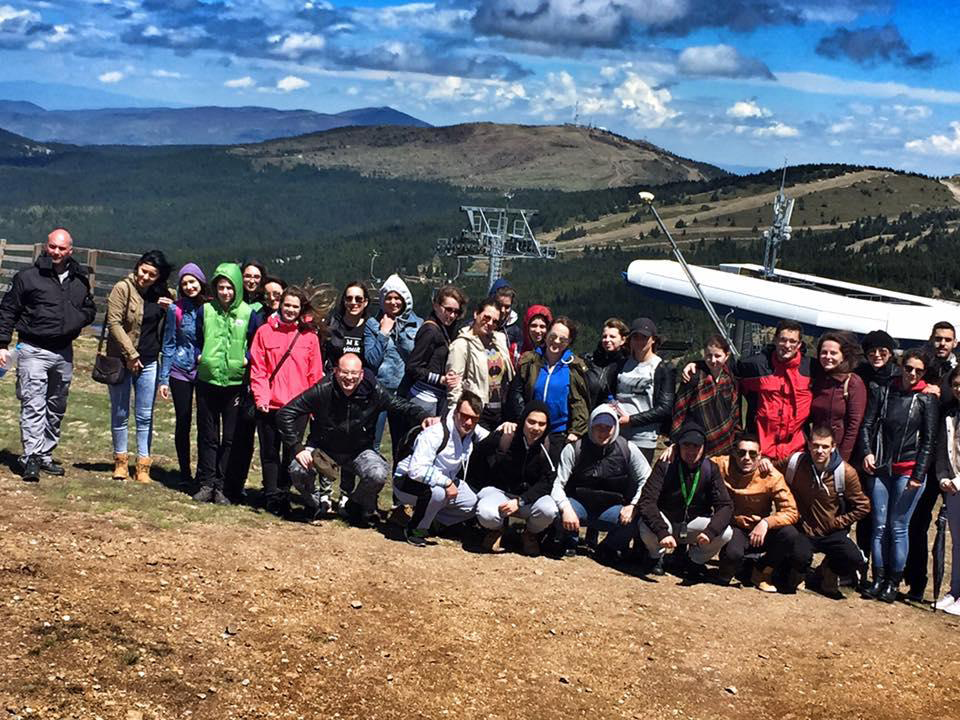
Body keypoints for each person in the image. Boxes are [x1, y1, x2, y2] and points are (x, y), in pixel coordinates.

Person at [277, 353, 429, 526]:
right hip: (323, 449)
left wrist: (423, 416)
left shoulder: (374, 391)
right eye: (344, 372)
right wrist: (297, 447)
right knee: (298, 469)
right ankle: (313, 504)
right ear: (335, 372)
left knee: (378, 473)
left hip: (358, 450)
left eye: (354, 373)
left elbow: (400, 405)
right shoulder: (322, 389)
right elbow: (285, 413)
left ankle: (354, 504)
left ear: (361, 374)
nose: (349, 377)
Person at [0, 228, 96, 482]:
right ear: (46, 246)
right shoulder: (27, 277)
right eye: (52, 246)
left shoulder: (79, 279)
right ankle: (30, 456)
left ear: (70, 251)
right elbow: (8, 310)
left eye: (61, 248)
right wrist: (2, 343)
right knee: (33, 403)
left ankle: (44, 454)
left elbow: (89, 307)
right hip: (33, 349)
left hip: (63, 352)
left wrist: (78, 320)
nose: (56, 252)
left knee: (56, 406)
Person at [860, 349, 938, 602]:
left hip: (909, 469)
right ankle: (878, 578)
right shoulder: (884, 391)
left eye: (918, 370)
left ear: (924, 372)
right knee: (879, 525)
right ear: (901, 367)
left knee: (898, 527)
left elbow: (929, 440)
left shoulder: (927, 399)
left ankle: (894, 582)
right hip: (882, 467)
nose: (912, 374)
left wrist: (919, 473)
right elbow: (868, 424)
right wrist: (867, 452)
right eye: (909, 368)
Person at [249, 287, 324, 516]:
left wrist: (314, 407)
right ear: (280, 305)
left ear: (301, 310)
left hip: (298, 407)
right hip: (270, 403)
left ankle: (283, 492)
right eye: (287, 305)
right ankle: (271, 495)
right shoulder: (263, 332)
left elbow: (315, 373)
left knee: (291, 453)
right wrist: (260, 396)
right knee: (269, 452)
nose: (290, 310)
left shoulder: (309, 337)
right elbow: (258, 368)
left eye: (295, 306)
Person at [192, 263, 259, 505]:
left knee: (229, 438)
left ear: (238, 288)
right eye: (221, 287)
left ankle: (222, 486)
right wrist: (200, 355)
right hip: (207, 380)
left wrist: (246, 359)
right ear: (215, 288)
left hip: (234, 383)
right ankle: (206, 483)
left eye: (230, 287)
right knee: (208, 435)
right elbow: (197, 337)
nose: (225, 292)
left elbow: (256, 344)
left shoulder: (249, 314)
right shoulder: (205, 311)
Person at [104, 250, 173, 483]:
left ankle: (143, 465)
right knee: (120, 411)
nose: (145, 277)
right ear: (137, 266)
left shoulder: (164, 295)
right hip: (122, 359)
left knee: (145, 415)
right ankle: (121, 462)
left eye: (152, 274)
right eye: (143, 271)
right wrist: (131, 354)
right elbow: (114, 323)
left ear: (159, 277)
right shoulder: (122, 289)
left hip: (151, 359)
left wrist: (171, 309)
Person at [552, 405, 652, 561]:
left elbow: (647, 479)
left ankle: (608, 548)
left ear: (616, 428)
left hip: (612, 509)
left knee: (638, 518)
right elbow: (557, 484)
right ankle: (569, 540)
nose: (603, 432)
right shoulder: (574, 449)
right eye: (598, 427)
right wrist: (566, 509)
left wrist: (633, 506)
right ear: (591, 425)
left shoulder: (628, 449)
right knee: (555, 508)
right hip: (578, 506)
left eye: (608, 427)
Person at [904, 321, 959, 601]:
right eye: (937, 339)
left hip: (951, 460)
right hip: (924, 456)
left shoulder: (956, 372)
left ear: (955, 343)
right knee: (917, 521)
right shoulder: (922, 365)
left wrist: (942, 391)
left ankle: (954, 590)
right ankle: (916, 581)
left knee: (953, 531)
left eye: (947, 340)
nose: (942, 344)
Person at [781, 426, 870, 599]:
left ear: (833, 447)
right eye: (815, 446)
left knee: (854, 559)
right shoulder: (795, 463)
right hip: (803, 529)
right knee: (797, 553)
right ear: (808, 445)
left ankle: (827, 571)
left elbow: (863, 506)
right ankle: (798, 572)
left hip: (831, 531)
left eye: (824, 446)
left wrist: (838, 522)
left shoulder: (845, 472)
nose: (819, 451)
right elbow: (773, 473)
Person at [637, 421, 734, 579]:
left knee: (725, 533)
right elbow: (647, 501)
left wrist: (710, 532)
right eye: (686, 445)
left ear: (703, 448)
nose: (691, 450)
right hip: (665, 521)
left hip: (692, 523)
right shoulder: (665, 465)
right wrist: (661, 531)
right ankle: (656, 557)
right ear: (678, 446)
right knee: (646, 526)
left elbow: (725, 506)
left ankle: (694, 560)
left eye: (696, 446)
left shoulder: (711, 469)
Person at [394, 392, 489, 547]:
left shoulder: (471, 430)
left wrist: (508, 428)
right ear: (456, 412)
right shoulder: (435, 432)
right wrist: (446, 483)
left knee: (472, 502)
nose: (469, 422)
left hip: (442, 481)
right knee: (437, 493)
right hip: (406, 482)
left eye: (474, 418)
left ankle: (433, 523)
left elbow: (492, 438)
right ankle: (415, 530)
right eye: (464, 416)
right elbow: (416, 470)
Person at [712, 432, 804, 590]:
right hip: (736, 527)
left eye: (753, 454)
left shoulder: (771, 476)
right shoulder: (722, 465)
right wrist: (675, 448)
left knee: (790, 534)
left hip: (760, 530)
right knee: (731, 560)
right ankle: (731, 568)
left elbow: (791, 511)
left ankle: (762, 571)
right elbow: (696, 460)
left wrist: (766, 522)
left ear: (760, 455)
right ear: (734, 453)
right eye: (741, 453)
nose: (746, 458)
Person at [224, 274, 286, 502]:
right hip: (254, 385)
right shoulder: (256, 316)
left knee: (279, 444)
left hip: (282, 392)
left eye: (277, 294)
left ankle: (279, 490)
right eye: (267, 294)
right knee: (244, 437)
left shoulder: (294, 321)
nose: (272, 298)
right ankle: (234, 486)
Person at [472, 400, 559, 556]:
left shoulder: (549, 446)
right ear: (523, 420)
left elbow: (547, 482)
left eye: (541, 424)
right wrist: (497, 432)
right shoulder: (507, 436)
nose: (536, 428)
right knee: (486, 512)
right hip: (501, 493)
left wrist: (521, 501)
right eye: (531, 422)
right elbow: (478, 453)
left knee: (549, 510)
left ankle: (529, 534)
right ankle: (497, 530)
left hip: (529, 499)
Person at [507, 316, 589, 464]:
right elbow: (517, 392)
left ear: (569, 341)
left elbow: (579, 401)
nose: (556, 341)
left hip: (559, 433)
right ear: (547, 334)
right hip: (531, 429)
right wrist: (522, 420)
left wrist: (576, 431)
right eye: (553, 336)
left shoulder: (574, 366)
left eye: (563, 339)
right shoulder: (530, 360)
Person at [158, 263, 207, 487]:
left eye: (192, 282)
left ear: (201, 282)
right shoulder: (174, 310)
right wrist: (164, 378)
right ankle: (185, 471)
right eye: (184, 283)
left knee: (206, 423)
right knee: (183, 420)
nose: (189, 287)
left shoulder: (211, 308)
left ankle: (204, 472)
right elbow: (168, 343)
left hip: (206, 370)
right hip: (180, 369)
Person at [852, 330, 899, 563]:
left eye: (882, 351)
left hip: (889, 447)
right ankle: (861, 560)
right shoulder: (859, 374)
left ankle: (886, 567)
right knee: (863, 508)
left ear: (890, 353)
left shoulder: (899, 377)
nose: (877, 355)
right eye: (872, 352)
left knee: (887, 515)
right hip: (862, 446)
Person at [736, 319, 812, 462]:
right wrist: (697, 365)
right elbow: (723, 369)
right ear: (775, 340)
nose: (787, 345)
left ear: (799, 344)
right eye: (783, 340)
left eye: (792, 341)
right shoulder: (756, 365)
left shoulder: (810, 368)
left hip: (797, 452)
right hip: (761, 451)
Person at [364, 274, 422, 454]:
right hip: (379, 390)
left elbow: (417, 358)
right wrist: (383, 332)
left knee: (403, 443)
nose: (393, 302)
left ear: (406, 299)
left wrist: (401, 333)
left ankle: (399, 481)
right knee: (372, 442)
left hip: (405, 391)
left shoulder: (418, 324)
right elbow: (371, 360)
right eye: (388, 297)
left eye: (398, 298)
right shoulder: (372, 324)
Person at [604, 317, 675, 465]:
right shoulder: (621, 365)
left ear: (653, 339)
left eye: (644, 337)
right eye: (635, 337)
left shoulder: (662, 368)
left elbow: (665, 408)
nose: (639, 341)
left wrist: (631, 420)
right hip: (616, 433)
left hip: (644, 437)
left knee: (638, 482)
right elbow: (609, 393)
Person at [446, 298, 514, 430]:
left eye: (495, 321)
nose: (490, 323)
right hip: (476, 411)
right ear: (476, 314)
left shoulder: (499, 340)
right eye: (486, 318)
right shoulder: (461, 344)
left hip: (501, 410)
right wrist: (457, 415)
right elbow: (454, 385)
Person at [398, 284, 465, 417]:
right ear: (436, 306)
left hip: (435, 398)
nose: (452, 315)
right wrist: (440, 379)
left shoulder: (444, 328)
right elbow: (412, 367)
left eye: (456, 312)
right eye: (448, 310)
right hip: (423, 398)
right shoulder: (430, 331)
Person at [671, 334, 739, 457]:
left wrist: (738, 438)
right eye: (709, 356)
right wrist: (675, 441)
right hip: (697, 444)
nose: (713, 360)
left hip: (726, 444)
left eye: (717, 356)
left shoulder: (729, 378)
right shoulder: (694, 376)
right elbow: (679, 412)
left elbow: (734, 411)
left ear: (726, 356)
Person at [810, 332, 867, 462]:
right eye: (824, 352)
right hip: (818, 450)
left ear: (843, 357)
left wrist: (841, 459)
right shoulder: (818, 381)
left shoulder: (853, 382)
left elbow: (854, 425)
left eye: (833, 353)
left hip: (840, 453)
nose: (828, 357)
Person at [933, 365, 960, 615]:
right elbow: (943, 448)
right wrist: (943, 477)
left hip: (958, 483)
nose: (959, 389)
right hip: (951, 486)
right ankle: (954, 592)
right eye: (956, 384)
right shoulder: (950, 413)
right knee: (956, 543)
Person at [325, 281, 370, 371]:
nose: (353, 302)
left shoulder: (371, 327)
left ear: (365, 302)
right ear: (344, 301)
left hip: (361, 380)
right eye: (349, 298)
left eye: (358, 299)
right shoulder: (332, 325)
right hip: (335, 378)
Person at [584, 317, 629, 408]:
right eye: (604, 336)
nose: (607, 340)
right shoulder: (591, 361)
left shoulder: (627, 365)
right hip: (589, 414)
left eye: (612, 337)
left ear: (623, 340)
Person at [489, 279, 522, 366]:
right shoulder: (477, 325)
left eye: (507, 307)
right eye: (499, 305)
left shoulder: (516, 332)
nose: (503, 310)